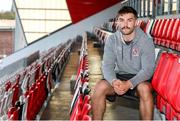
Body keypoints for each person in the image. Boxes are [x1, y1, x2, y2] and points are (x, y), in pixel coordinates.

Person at [92, 6, 155, 120]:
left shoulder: (146, 41)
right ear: (118, 22)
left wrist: (129, 83)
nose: (125, 24)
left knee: (145, 89)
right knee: (99, 87)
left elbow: (148, 70)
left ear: (136, 22)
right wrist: (114, 81)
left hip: (138, 78)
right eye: (122, 20)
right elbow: (107, 66)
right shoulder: (112, 40)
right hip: (119, 77)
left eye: (129, 20)